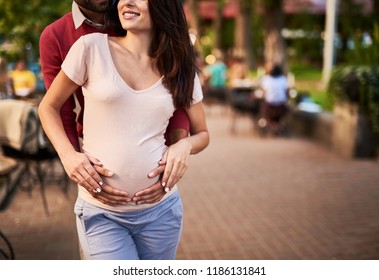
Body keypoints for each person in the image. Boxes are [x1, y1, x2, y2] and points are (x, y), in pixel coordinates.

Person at [38, 0, 209, 260]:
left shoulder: (179, 66)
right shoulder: (89, 47)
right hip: (102, 211)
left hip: (162, 210)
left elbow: (201, 133)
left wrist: (183, 146)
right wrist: (69, 156)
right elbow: (49, 107)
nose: (126, 0)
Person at [258, 63, 288, 134]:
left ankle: (268, 123)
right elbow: (286, 92)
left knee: (260, 106)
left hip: (269, 107)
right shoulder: (283, 79)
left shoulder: (266, 79)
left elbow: (263, 92)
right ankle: (276, 124)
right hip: (282, 107)